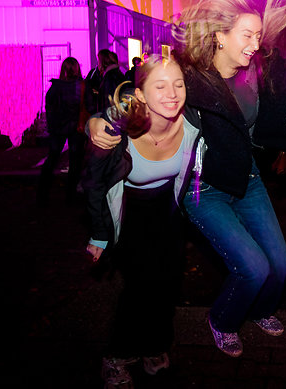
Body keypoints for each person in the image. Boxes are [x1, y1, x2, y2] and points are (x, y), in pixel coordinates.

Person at [89, 0, 286, 358]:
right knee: (253, 268)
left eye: (258, 35)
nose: (255, 44)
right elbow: (141, 93)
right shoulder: (191, 77)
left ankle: (260, 310)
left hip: (248, 179)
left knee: (280, 265)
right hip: (205, 188)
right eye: (247, 35)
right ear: (220, 36)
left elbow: (274, 114)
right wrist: (99, 120)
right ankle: (223, 321)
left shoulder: (257, 72)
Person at [83, 56, 203, 388]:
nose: (172, 94)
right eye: (160, 86)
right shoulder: (118, 128)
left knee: (167, 284)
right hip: (130, 211)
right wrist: (99, 234)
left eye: (178, 84)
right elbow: (93, 184)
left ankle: (154, 347)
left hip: (169, 210)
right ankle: (116, 356)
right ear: (140, 94)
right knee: (140, 287)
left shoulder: (194, 121)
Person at [37, 56, 87, 205]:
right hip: (76, 127)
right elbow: (88, 105)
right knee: (75, 162)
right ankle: (70, 196)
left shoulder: (55, 87)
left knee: (52, 159)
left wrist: (52, 126)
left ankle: (42, 194)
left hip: (58, 128)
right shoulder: (82, 86)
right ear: (77, 69)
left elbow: (49, 107)